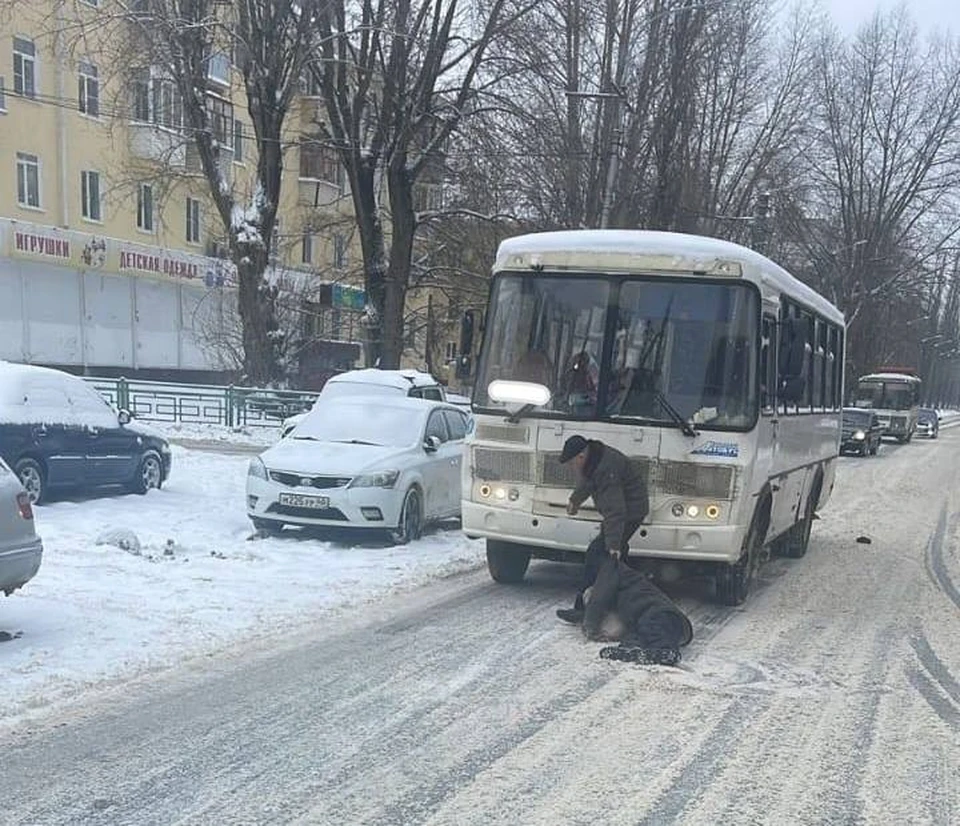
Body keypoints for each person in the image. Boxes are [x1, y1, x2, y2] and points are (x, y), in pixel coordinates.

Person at [555, 434, 649, 624]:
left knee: (598, 554)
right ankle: (619, 604)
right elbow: (587, 483)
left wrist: (613, 545)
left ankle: (585, 609)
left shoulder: (606, 468)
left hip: (631, 512)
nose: (573, 468)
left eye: (572, 464)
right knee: (613, 559)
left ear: (581, 457)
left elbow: (615, 510)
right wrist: (575, 500)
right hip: (624, 512)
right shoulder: (594, 459)